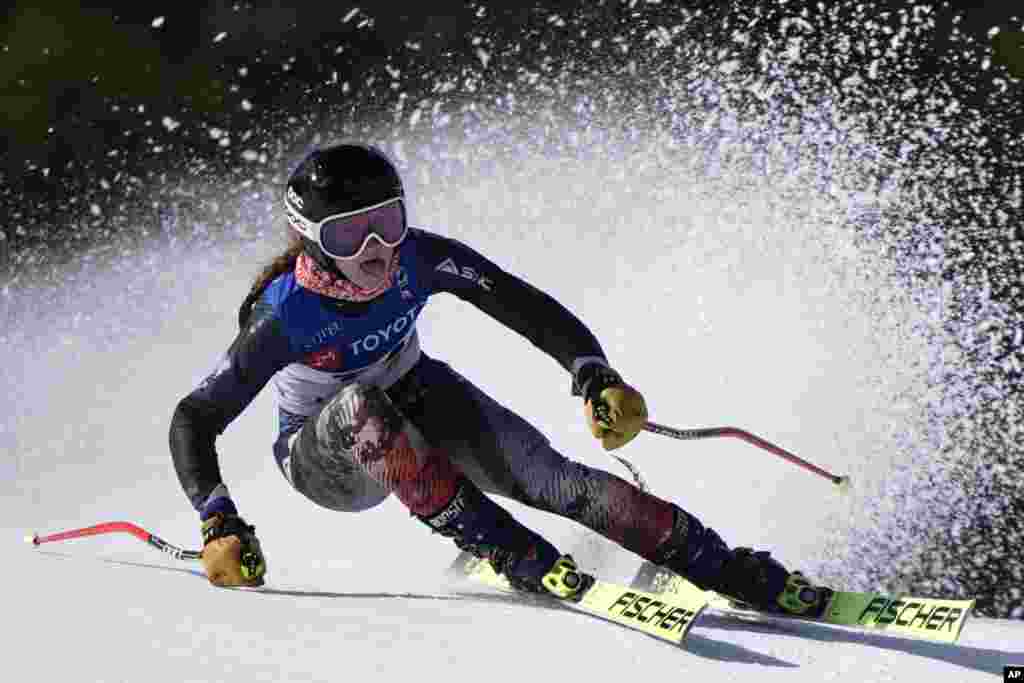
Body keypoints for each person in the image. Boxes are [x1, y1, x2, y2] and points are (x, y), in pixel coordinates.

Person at [170, 142, 826, 614]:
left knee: (557, 478)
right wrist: (217, 516)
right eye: (349, 235)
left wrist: (594, 374)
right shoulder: (286, 313)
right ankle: (500, 544)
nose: (375, 250)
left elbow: (518, 301)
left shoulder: (418, 259)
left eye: (387, 222)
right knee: (360, 403)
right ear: (311, 240)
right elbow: (194, 417)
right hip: (330, 463)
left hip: (418, 401)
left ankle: (720, 562)